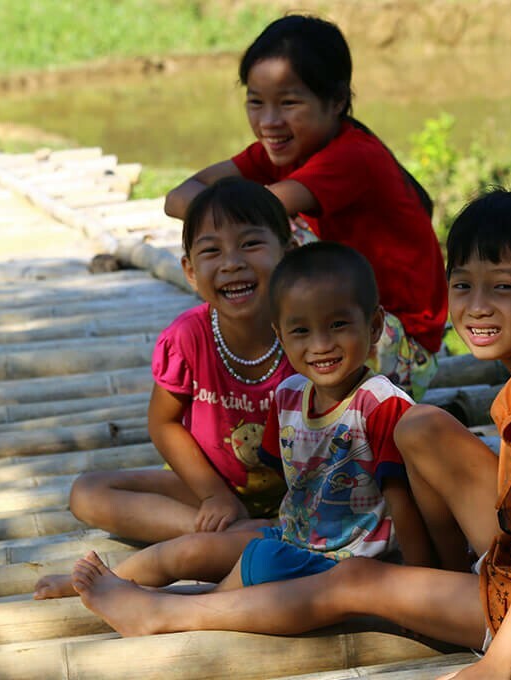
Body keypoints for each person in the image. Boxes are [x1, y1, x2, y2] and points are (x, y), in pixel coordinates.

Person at [70, 184, 511, 680]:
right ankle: (437, 581)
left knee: (354, 582)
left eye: (503, 288)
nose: (476, 307)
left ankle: (165, 615)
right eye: (463, 286)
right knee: (421, 426)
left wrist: (498, 663)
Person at [35, 243, 432, 600]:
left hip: (349, 563)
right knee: (191, 549)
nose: (321, 344)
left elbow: (404, 507)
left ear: (375, 325)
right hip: (292, 537)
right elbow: (294, 487)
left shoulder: (380, 406)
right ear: (281, 334)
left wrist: (417, 589)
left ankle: (174, 605)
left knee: (259, 565)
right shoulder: (291, 394)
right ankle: (105, 580)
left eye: (338, 326)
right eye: (301, 331)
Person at [33, 177, 297, 599]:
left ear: (290, 253)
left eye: (250, 244)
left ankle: (234, 540)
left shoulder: (307, 332)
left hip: (299, 498)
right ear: (190, 271)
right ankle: (228, 533)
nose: (231, 263)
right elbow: (163, 423)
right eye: (211, 251)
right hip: (211, 484)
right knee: (88, 492)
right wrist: (213, 496)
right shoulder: (188, 337)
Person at [163, 14, 447, 399]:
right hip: (340, 317)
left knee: (265, 235)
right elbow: (176, 198)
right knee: (248, 232)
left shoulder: (352, 156)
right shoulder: (282, 151)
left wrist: (223, 220)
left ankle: (259, 389)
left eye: (289, 103)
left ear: (337, 101)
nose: (269, 122)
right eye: (256, 103)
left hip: (394, 339)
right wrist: (224, 215)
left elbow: (257, 212)